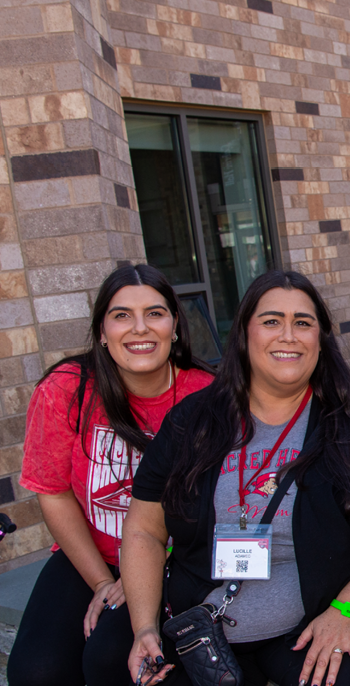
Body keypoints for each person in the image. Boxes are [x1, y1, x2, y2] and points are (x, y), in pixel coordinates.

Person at [122, 270, 350, 686]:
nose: (288, 335)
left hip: (328, 616)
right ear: (244, 335)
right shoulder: (191, 423)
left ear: (321, 339)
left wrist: (348, 610)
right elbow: (143, 530)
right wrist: (145, 626)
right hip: (208, 625)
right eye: (271, 321)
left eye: (303, 322)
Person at [7, 264, 213, 686]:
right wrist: (103, 580)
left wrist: (144, 569)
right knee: (35, 671)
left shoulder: (209, 394)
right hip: (92, 552)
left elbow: (224, 500)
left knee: (109, 660)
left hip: (180, 557)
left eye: (155, 313)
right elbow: (54, 492)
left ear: (175, 326)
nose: (140, 329)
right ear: (102, 331)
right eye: (122, 316)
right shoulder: (66, 389)